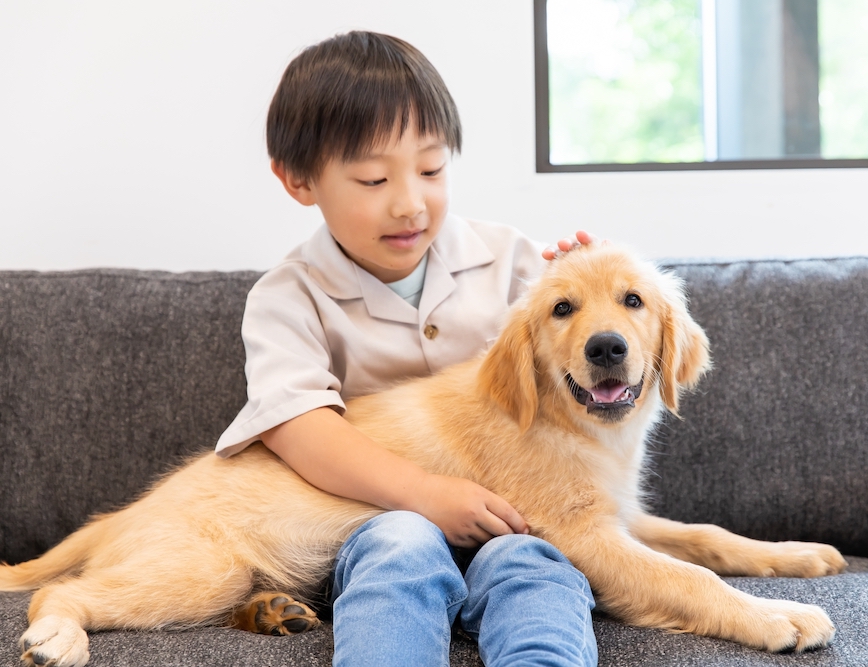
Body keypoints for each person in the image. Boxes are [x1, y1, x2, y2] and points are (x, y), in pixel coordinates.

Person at [215, 31, 599, 667]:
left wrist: (581, 295)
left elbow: (581, 379)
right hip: (375, 523)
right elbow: (295, 426)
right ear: (298, 181)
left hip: (515, 515)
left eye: (431, 169)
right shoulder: (287, 296)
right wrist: (425, 494)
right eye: (371, 178)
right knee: (402, 547)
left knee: (535, 565)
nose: (410, 202)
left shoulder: (511, 260)